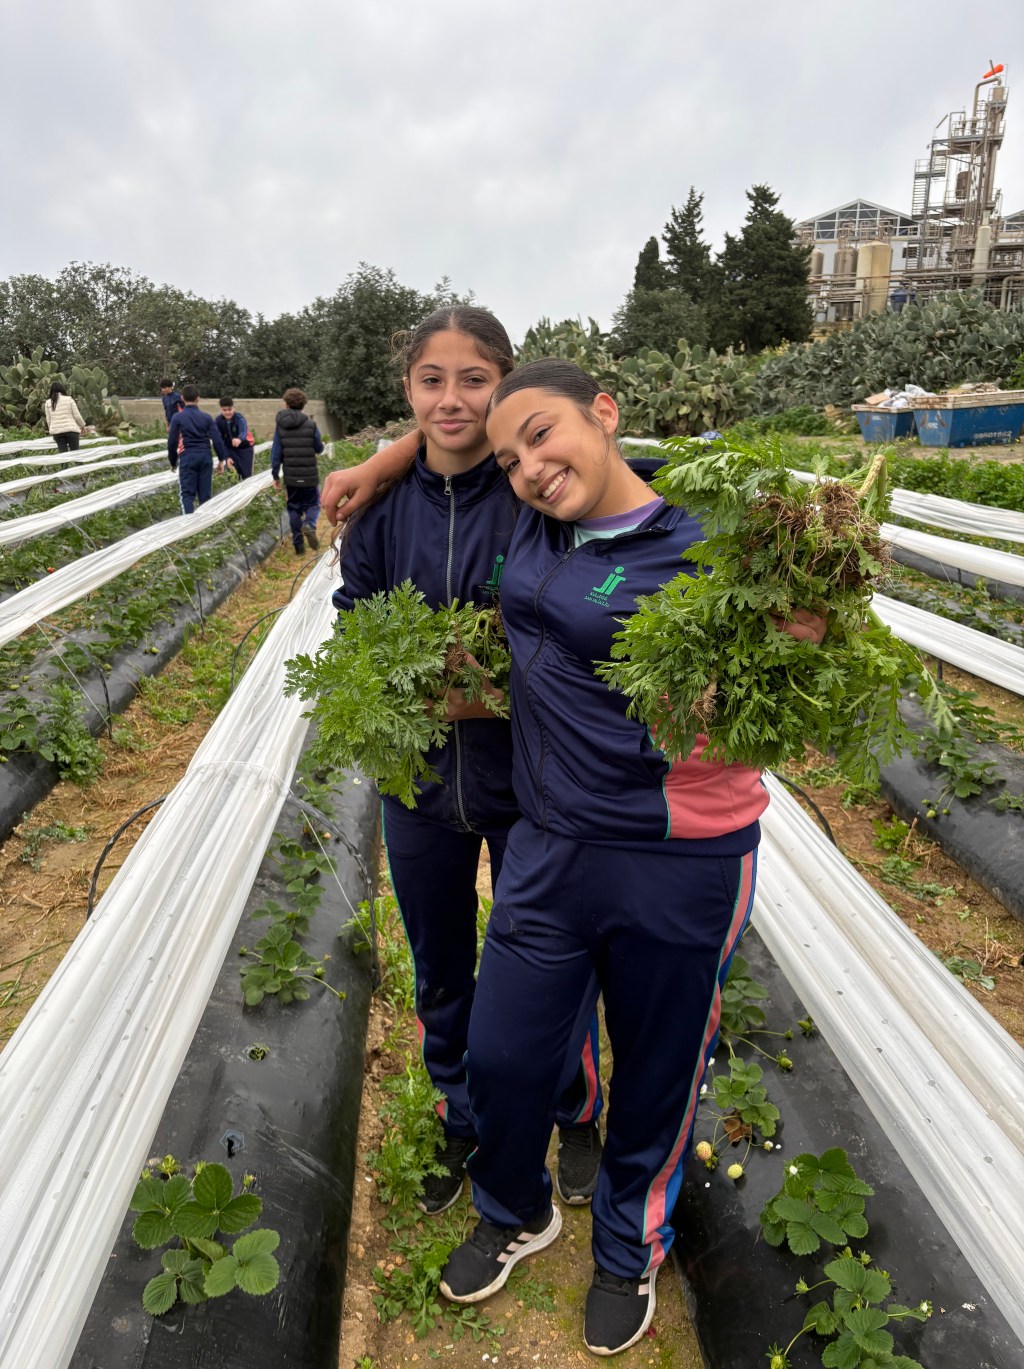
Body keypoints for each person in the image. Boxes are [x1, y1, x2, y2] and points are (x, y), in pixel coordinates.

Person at [433, 361, 825, 1357]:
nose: (526, 465)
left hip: (677, 852)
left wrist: (764, 672)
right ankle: (519, 1207)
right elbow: (440, 429)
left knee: (658, 1067)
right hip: (547, 844)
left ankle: (626, 1246)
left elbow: (800, 679)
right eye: (509, 454)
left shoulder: (716, 542)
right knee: (506, 1052)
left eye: (543, 435)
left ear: (603, 414)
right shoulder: (534, 528)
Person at [333, 310, 603, 1215]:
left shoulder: (531, 492)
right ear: (408, 390)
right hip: (415, 786)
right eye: (432, 380)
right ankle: (460, 1110)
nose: (452, 399)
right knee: (440, 961)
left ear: (505, 390)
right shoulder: (376, 515)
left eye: (474, 379)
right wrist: (383, 463)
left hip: (531, 786)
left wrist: (487, 683)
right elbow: (356, 627)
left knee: (546, 964)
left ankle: (572, 1107)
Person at [272, 388, 325, 555]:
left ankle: (299, 546)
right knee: (313, 504)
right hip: (309, 476)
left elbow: (276, 452)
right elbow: (319, 447)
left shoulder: (281, 426)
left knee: (293, 509)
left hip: (291, 478)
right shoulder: (311, 425)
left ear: (286, 404)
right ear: (303, 405)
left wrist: (275, 475)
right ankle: (309, 523)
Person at [166, 384, 230, 514]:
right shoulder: (206, 417)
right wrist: (221, 460)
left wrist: (173, 462)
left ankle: (189, 528)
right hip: (205, 457)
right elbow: (217, 439)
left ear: (182, 398)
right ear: (198, 398)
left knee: (187, 495)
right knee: (205, 495)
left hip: (188, 457)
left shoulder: (178, 417)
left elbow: (172, 442)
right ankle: (204, 528)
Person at [215, 398, 255, 479]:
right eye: (224, 410)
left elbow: (243, 431)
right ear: (221, 409)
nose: (227, 412)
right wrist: (226, 456)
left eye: (229, 409)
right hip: (230, 448)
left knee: (247, 476)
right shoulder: (219, 420)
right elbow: (220, 440)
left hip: (245, 448)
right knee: (232, 474)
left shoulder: (239, 418)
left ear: (234, 408)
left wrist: (239, 439)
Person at [43, 383, 86, 453]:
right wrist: (82, 425)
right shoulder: (69, 399)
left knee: (63, 456)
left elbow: (48, 420)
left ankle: (64, 464)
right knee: (76, 454)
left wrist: (52, 429)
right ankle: (78, 464)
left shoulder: (48, 403)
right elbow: (77, 416)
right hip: (71, 430)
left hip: (57, 432)